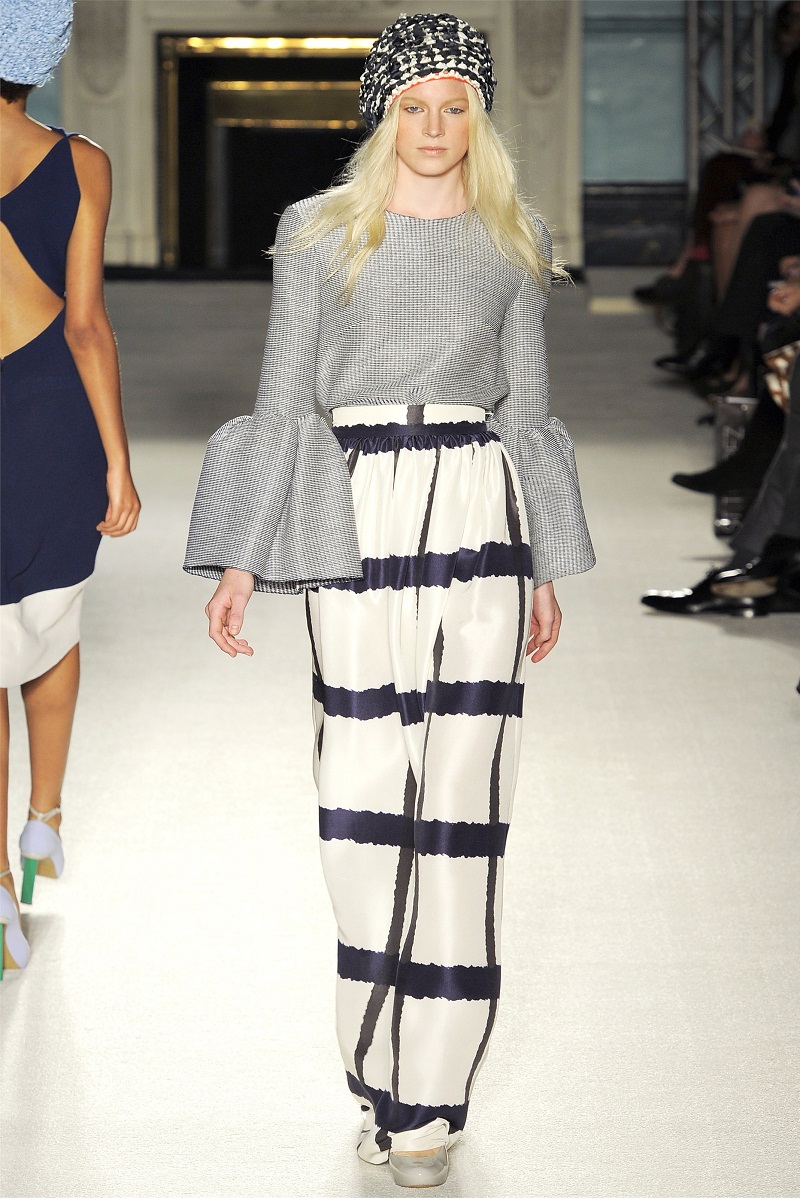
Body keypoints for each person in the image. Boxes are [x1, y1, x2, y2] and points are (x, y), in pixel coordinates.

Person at [184, 12, 594, 1188]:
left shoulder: (513, 235)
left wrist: (543, 563)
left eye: (454, 106)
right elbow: (284, 399)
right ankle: (376, 1056)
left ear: (478, 116)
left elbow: (526, 407)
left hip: (476, 513)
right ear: (382, 113)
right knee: (360, 790)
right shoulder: (319, 231)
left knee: (462, 800)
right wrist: (243, 558)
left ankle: (429, 1101)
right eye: (413, 106)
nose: (432, 126)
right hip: (353, 507)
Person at [0, 0, 140, 978]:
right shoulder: (82, 161)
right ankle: (44, 818)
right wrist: (117, 461)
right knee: (51, 622)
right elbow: (87, 325)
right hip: (53, 419)